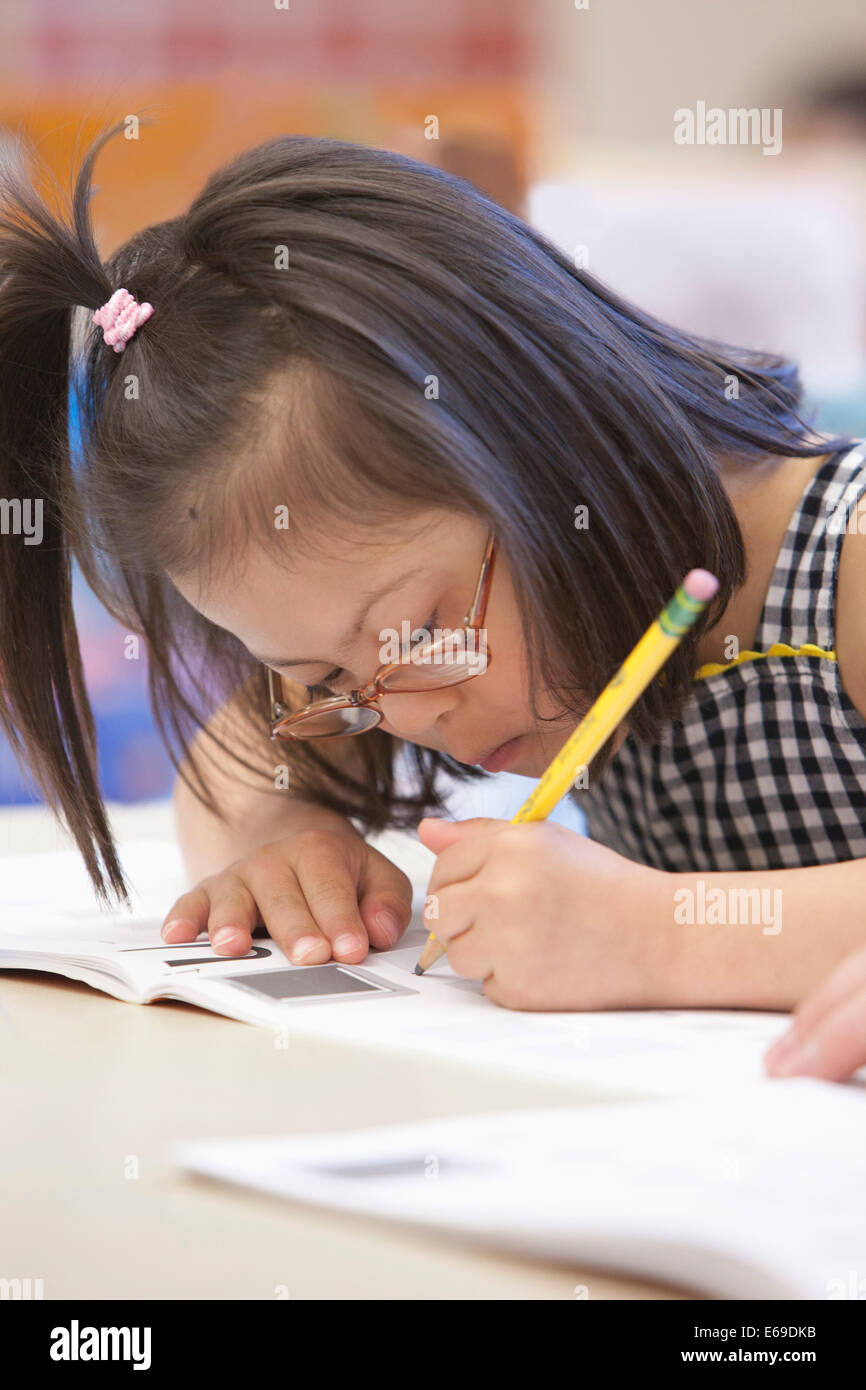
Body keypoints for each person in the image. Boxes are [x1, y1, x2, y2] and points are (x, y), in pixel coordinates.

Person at [1, 118, 864, 1016]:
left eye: (421, 629)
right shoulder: (407, 648)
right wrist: (279, 835)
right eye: (327, 675)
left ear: (547, 448)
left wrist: (665, 936)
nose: (406, 714)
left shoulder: (846, 564)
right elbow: (236, 753)